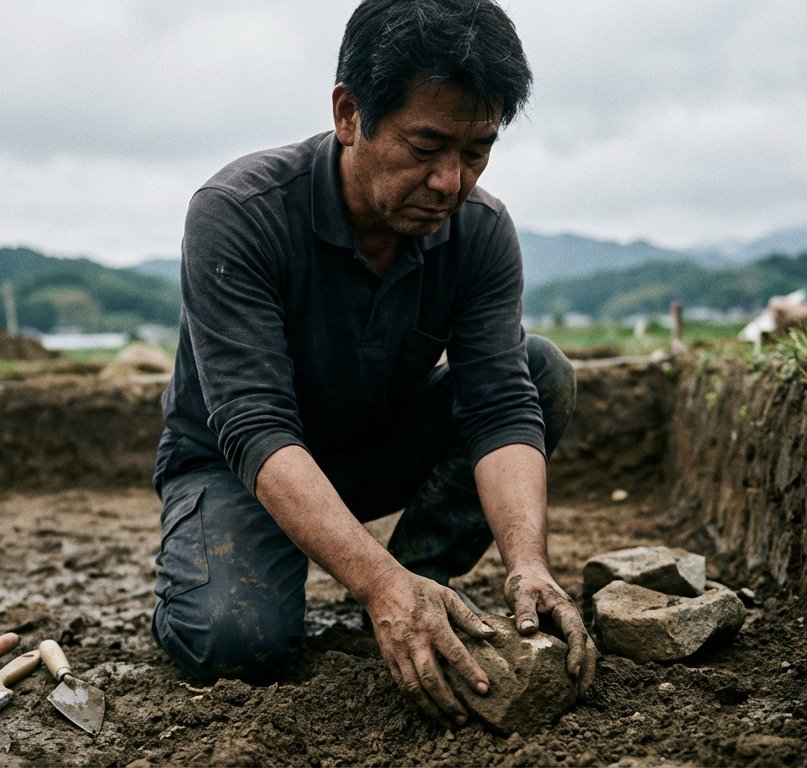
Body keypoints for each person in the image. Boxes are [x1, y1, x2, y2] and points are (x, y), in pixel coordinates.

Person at [151, 0, 596, 727]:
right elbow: (254, 424)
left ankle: (421, 579)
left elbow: (499, 405)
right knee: (236, 643)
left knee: (541, 372)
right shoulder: (241, 211)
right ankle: (376, 588)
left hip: (373, 449)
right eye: (426, 148)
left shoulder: (479, 233)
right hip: (239, 468)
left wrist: (529, 562)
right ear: (350, 113)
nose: (451, 182)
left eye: (477, 150)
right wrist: (372, 580)